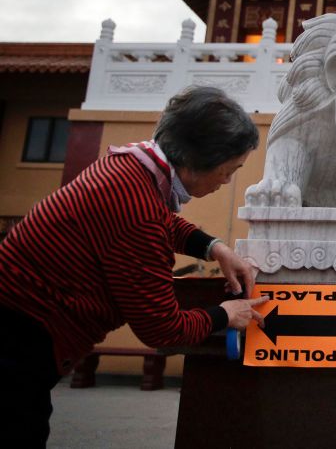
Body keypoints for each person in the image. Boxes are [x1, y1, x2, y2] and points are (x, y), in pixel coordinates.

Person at [0, 85, 267, 447]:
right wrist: (225, 314)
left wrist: (213, 247)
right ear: (194, 162)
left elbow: (160, 219)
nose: (227, 182)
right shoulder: (139, 213)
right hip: (21, 339)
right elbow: (163, 329)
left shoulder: (129, 165)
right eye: (228, 171)